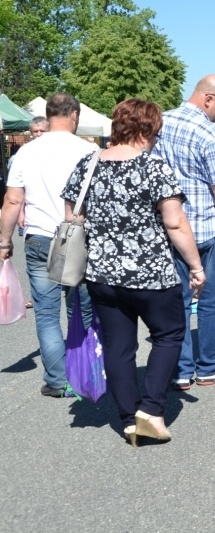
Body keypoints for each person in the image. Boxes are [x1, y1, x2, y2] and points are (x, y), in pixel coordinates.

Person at [61, 98, 205, 445]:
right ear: (144, 131)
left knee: (118, 346)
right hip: (151, 274)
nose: (156, 140)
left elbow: (71, 216)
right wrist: (196, 265)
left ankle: (127, 417)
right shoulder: (154, 168)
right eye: (154, 133)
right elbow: (175, 222)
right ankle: (151, 409)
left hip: (102, 275)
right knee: (169, 334)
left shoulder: (88, 164)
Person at [152, 74, 215, 389]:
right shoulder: (209, 133)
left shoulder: (159, 124)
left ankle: (179, 371)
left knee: (175, 301)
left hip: (168, 230)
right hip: (205, 229)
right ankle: (209, 365)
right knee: (213, 299)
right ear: (208, 99)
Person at [0, 94, 96, 398]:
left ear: (49, 115)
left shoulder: (27, 153)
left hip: (40, 237)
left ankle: (56, 380)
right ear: (75, 116)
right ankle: (86, 370)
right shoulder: (90, 150)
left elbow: (13, 200)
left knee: (46, 313)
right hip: (79, 237)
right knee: (82, 309)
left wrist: (4, 241)